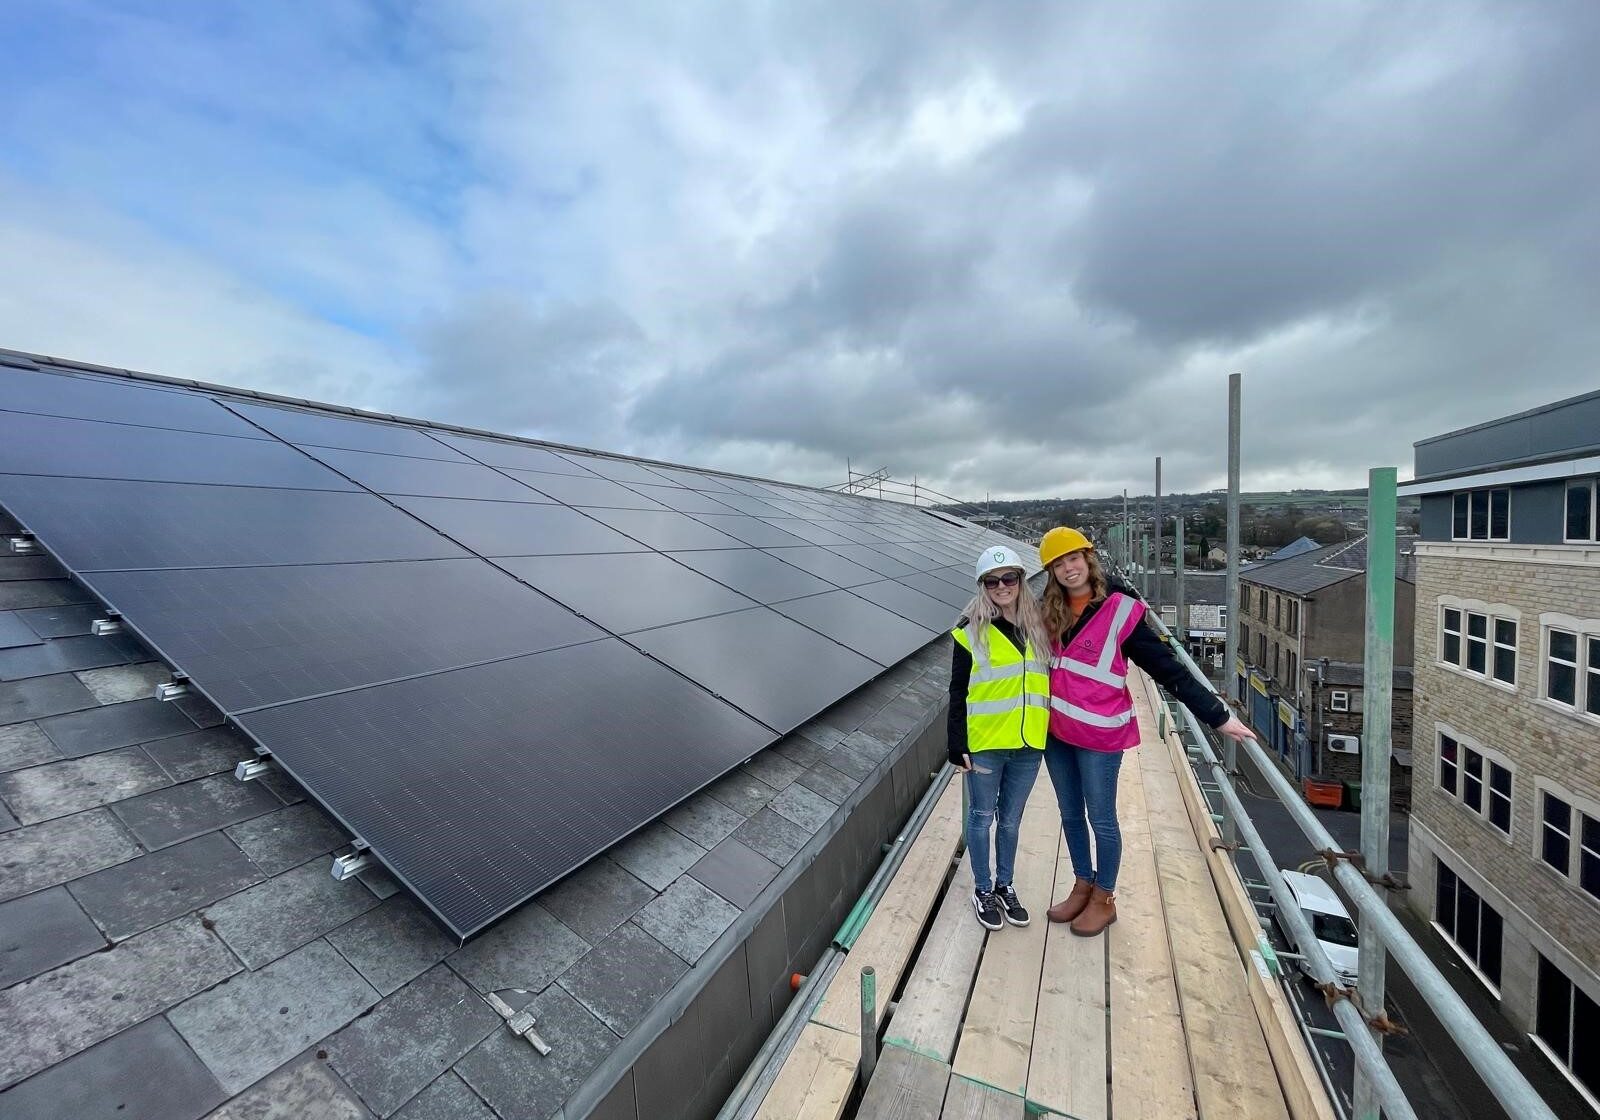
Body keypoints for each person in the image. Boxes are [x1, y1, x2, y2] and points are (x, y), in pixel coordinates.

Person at [1036, 527, 1252, 937]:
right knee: (1069, 814)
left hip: (1100, 738)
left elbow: (1167, 668)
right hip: (1057, 733)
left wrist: (1217, 715)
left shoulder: (1120, 610)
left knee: (1101, 818)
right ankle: (1082, 884)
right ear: (1051, 571)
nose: (1068, 569)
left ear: (1088, 559)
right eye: (1058, 564)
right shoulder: (1049, 609)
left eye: (1074, 559)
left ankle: (1104, 898)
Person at [948, 544, 1054, 931]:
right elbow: (957, 691)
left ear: (1021, 581)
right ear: (983, 586)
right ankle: (982, 889)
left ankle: (1005, 885)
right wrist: (956, 744)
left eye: (1009, 578)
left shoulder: (1039, 627)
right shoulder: (969, 633)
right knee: (980, 816)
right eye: (992, 581)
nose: (1002, 586)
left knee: (1010, 820)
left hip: (1028, 745)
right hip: (987, 744)